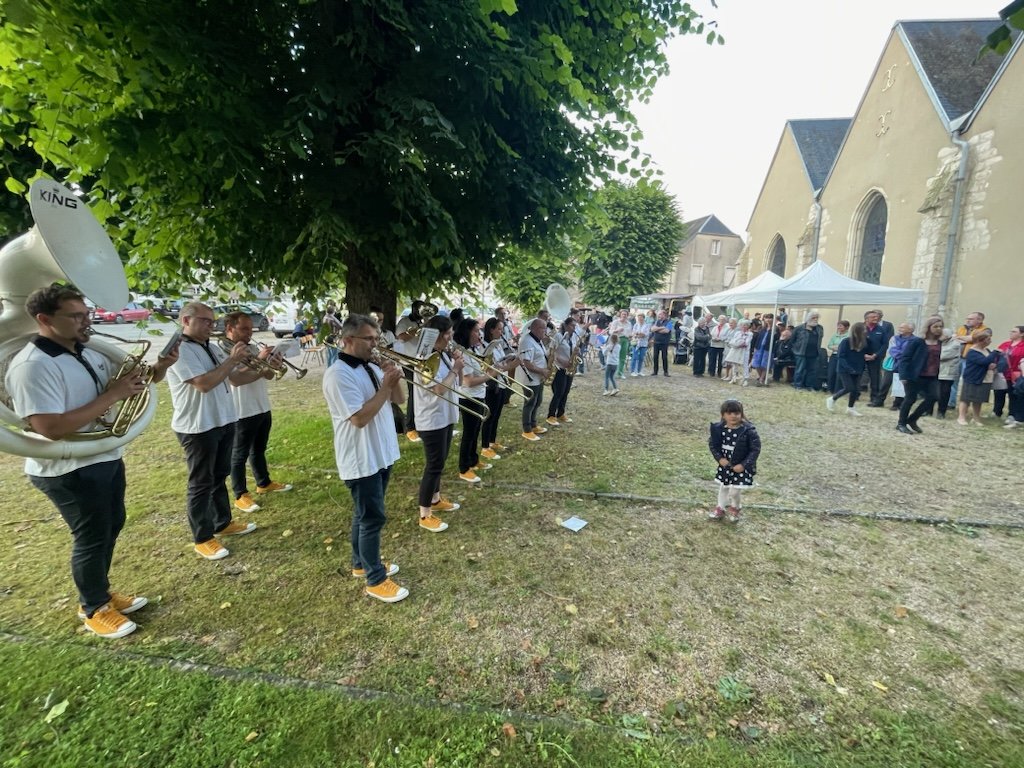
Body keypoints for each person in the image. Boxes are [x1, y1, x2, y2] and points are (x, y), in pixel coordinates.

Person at [4, 286, 179, 638]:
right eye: (76, 316)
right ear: (44, 319)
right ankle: (93, 608)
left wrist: (159, 367)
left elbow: (140, 381)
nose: (87, 321)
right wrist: (112, 395)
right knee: (93, 535)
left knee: (112, 523)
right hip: (67, 467)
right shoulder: (32, 366)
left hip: (103, 454)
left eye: (87, 313)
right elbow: (50, 428)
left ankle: (99, 591)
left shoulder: (86, 350)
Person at [322, 314, 409, 603]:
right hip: (360, 457)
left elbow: (399, 400)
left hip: (381, 452)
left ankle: (360, 563)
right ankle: (375, 579)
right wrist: (385, 386)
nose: (375, 344)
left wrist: (392, 377)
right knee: (373, 517)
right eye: (368, 339)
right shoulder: (338, 374)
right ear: (348, 340)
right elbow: (358, 418)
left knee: (364, 514)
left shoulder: (371, 365)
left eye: (376, 338)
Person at [166, 302, 259, 562]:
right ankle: (203, 538)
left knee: (219, 475)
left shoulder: (212, 347)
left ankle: (222, 522)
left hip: (223, 420)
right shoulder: (180, 349)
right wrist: (232, 360)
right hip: (198, 426)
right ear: (186, 321)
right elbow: (204, 384)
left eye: (212, 321)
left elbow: (235, 379)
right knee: (201, 483)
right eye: (205, 321)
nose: (212, 325)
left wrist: (262, 367)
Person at [225, 311, 293, 514]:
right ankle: (240, 494)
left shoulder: (253, 348)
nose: (249, 332)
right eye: (244, 328)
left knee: (259, 449)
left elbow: (269, 376)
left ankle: (263, 482)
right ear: (230, 328)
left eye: (250, 328)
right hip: (241, 409)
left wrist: (272, 363)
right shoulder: (225, 350)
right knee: (239, 454)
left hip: (261, 405)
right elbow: (235, 379)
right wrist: (260, 361)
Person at [413, 315, 461, 531]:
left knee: (439, 462)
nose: (451, 337)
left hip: (445, 415)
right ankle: (424, 515)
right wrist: (455, 369)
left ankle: (435, 499)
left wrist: (456, 365)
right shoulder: (425, 358)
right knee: (434, 465)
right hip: (432, 418)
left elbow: (455, 383)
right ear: (438, 335)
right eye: (448, 334)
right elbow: (438, 389)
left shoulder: (441, 354)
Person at [708, 399, 761, 524]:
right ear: (723, 415)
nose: (733, 416)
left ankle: (735, 507)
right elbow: (713, 445)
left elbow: (755, 449)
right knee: (724, 487)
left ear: (741, 414)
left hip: (740, 467)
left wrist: (744, 465)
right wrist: (720, 458)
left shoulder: (748, 430)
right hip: (726, 465)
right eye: (729, 413)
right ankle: (720, 508)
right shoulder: (718, 429)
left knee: (734, 491)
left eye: (736, 413)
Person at [453, 318, 491, 483]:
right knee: (469, 433)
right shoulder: (462, 353)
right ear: (467, 332)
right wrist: (491, 375)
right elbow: (468, 381)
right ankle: (464, 468)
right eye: (476, 331)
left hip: (479, 394)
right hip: (469, 396)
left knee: (475, 431)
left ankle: (473, 460)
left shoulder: (472, 350)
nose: (479, 334)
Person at [896, 316, 943, 434]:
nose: (938, 329)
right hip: (915, 374)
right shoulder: (917, 341)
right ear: (928, 327)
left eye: (941, 327)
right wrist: (903, 375)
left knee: (934, 397)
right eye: (936, 326)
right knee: (910, 399)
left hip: (932, 375)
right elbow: (905, 358)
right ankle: (901, 423)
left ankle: (912, 419)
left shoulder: (940, 343)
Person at [479, 316, 517, 458]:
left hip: (501, 382)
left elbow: (500, 362)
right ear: (491, 330)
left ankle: (492, 441)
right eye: (499, 329)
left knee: (496, 415)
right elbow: (489, 368)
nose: (501, 332)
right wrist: (509, 365)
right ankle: (485, 446)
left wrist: (509, 360)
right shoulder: (485, 346)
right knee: (490, 416)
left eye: (502, 329)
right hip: (492, 385)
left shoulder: (498, 344)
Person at [824, 321, 876, 416]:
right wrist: (848, 368)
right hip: (844, 368)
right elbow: (841, 357)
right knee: (849, 387)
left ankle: (850, 408)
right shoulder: (846, 342)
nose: (866, 331)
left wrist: (869, 340)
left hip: (858, 368)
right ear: (858, 331)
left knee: (855, 389)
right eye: (864, 330)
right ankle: (832, 399)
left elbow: (870, 351)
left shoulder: (865, 342)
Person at [394, 300, 428, 442]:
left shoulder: (423, 322)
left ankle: (420, 424)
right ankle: (410, 427)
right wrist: (419, 329)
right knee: (414, 393)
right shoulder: (404, 322)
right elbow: (401, 337)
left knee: (422, 394)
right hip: (409, 362)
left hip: (421, 361)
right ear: (413, 309)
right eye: (419, 310)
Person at [514, 317, 550, 441]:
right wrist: (543, 371)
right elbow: (527, 364)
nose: (545, 331)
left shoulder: (537, 340)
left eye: (545, 328)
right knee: (529, 403)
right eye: (542, 328)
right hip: (530, 379)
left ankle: (533, 425)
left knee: (538, 401)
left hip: (538, 378)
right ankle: (527, 430)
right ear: (534, 328)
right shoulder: (527, 341)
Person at [957, 329, 1003, 426]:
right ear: (980, 340)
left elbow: (990, 361)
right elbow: (984, 361)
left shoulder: (986, 350)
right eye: (988, 339)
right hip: (973, 378)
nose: (990, 341)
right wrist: (994, 353)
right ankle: (961, 417)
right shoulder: (973, 351)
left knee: (978, 400)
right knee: (966, 398)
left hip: (984, 379)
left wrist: (993, 364)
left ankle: (976, 418)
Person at [948, 311, 990, 409]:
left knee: (968, 382)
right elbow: (953, 339)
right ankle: (951, 403)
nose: (967, 320)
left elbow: (975, 339)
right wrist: (967, 338)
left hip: (971, 360)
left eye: (971, 319)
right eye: (967, 318)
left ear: (979, 320)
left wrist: (963, 338)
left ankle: (966, 403)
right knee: (953, 381)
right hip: (958, 357)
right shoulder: (962, 328)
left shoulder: (986, 330)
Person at [546, 317, 577, 425]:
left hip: (569, 368)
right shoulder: (559, 336)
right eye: (572, 325)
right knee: (559, 392)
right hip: (559, 367)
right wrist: (562, 360)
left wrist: (575, 353)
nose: (574, 328)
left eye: (575, 326)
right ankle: (551, 415)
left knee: (566, 391)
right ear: (566, 325)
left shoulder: (572, 337)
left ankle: (561, 413)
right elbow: (551, 351)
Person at [863, 310, 894, 405]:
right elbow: (857, 342)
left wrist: (875, 355)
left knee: (875, 379)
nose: (876, 318)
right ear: (866, 319)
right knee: (857, 376)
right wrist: (863, 354)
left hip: (875, 358)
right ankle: (855, 395)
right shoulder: (861, 328)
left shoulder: (881, 330)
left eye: (876, 317)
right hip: (861, 357)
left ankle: (874, 398)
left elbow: (885, 344)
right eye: (873, 317)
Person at [994, 326, 1024, 421]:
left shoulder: (1022, 346)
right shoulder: (1005, 344)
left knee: (1013, 395)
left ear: (1022, 334)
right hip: (1002, 374)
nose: (1011, 333)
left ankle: (1012, 414)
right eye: (1011, 331)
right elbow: (997, 356)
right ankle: (997, 411)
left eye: (1014, 331)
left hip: (1015, 375)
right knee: (999, 393)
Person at [934, 328, 962, 419]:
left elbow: (941, 356)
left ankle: (941, 412)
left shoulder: (955, 344)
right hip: (936, 370)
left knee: (944, 393)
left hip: (948, 372)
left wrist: (932, 353)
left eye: (941, 335)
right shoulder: (937, 342)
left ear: (947, 336)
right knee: (933, 391)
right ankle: (928, 411)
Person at [791, 312, 823, 391]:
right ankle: (797, 385)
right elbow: (792, 340)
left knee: (812, 371)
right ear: (808, 319)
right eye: (813, 318)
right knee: (800, 370)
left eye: (817, 318)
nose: (815, 319)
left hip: (814, 353)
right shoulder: (799, 328)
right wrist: (795, 349)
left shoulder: (820, 328)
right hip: (801, 353)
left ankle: (809, 386)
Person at [724, 319, 753, 385]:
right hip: (736, 350)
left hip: (744, 351)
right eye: (742, 325)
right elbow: (732, 341)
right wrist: (737, 343)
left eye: (745, 325)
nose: (744, 326)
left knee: (744, 365)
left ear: (748, 326)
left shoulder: (750, 334)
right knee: (734, 364)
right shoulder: (737, 333)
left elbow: (746, 343)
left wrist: (738, 343)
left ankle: (745, 379)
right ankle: (734, 378)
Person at [826, 320, 851, 394]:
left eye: (841, 326)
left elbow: (847, 347)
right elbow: (829, 345)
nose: (839, 327)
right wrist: (837, 347)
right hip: (834, 355)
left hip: (843, 357)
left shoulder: (849, 336)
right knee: (831, 372)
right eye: (838, 326)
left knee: (839, 374)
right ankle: (829, 389)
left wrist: (838, 347)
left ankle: (837, 391)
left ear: (846, 327)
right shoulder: (835, 335)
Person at [750, 313, 775, 386]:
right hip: (759, 348)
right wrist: (755, 348)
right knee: (756, 364)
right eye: (766, 318)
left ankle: (761, 379)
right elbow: (758, 338)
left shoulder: (774, 329)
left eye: (770, 318)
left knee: (765, 364)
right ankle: (762, 377)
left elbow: (774, 338)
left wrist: (770, 329)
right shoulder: (762, 328)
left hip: (767, 349)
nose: (768, 319)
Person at [608, 310, 632, 379]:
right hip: (617, 339)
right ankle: (611, 372)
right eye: (623, 314)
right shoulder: (615, 322)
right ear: (620, 315)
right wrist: (617, 330)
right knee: (614, 356)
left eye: (625, 314)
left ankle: (620, 373)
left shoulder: (629, 323)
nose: (624, 315)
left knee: (623, 357)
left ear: (627, 315)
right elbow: (610, 332)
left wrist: (631, 335)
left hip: (625, 340)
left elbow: (630, 332)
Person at [651, 309, 674, 376]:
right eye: (658, 314)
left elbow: (666, 331)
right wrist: (661, 328)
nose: (658, 315)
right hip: (656, 342)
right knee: (655, 357)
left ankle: (665, 371)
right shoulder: (656, 321)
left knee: (664, 357)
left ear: (664, 315)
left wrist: (657, 329)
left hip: (664, 342)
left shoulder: (669, 322)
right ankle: (655, 371)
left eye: (660, 314)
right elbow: (652, 329)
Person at [322, 301, 344, 367]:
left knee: (329, 356)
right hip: (333, 338)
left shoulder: (325, 317)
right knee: (334, 355)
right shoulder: (332, 318)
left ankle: (329, 369)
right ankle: (333, 368)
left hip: (326, 338)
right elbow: (341, 326)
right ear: (333, 311)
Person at [628, 312, 650, 376]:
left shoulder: (647, 325)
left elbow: (646, 334)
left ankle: (639, 371)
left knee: (641, 357)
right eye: (638, 318)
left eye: (641, 318)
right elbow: (633, 333)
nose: (640, 319)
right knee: (634, 357)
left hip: (644, 343)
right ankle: (632, 371)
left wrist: (639, 334)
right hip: (636, 343)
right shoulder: (636, 325)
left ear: (643, 318)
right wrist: (638, 334)